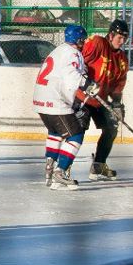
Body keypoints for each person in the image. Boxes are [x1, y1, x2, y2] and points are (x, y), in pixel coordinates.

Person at [32, 24, 99, 191]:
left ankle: (49, 166)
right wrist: (87, 84)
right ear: (78, 39)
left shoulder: (58, 50)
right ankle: (60, 172)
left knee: (55, 132)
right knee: (75, 135)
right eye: (83, 39)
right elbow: (71, 77)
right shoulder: (73, 53)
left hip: (41, 100)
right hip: (56, 101)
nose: (84, 42)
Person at [81, 19, 130, 180]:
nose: (122, 41)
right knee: (77, 130)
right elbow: (79, 61)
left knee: (111, 128)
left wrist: (117, 104)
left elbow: (118, 84)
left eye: (125, 38)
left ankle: (98, 165)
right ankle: (62, 167)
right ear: (111, 35)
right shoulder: (98, 43)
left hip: (100, 99)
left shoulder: (122, 59)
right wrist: (84, 81)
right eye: (119, 38)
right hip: (82, 97)